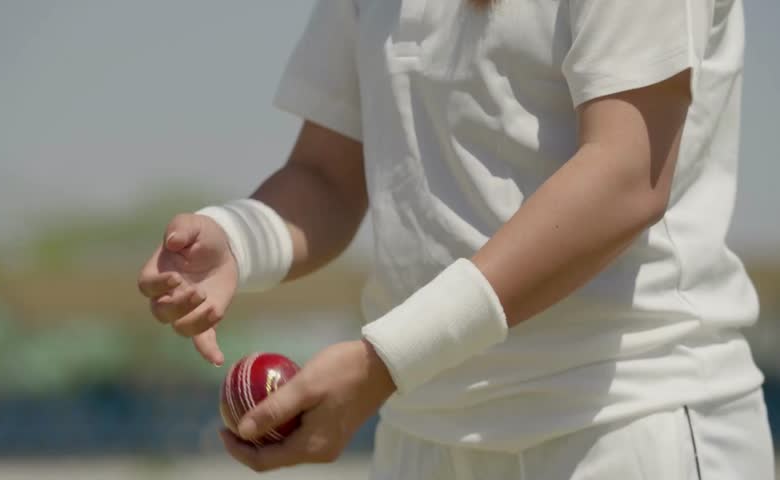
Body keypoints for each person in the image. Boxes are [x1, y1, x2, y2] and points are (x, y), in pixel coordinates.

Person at [137, 0, 775, 477]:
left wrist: (387, 361)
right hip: (423, 430)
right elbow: (328, 174)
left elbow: (626, 177)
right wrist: (239, 240)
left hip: (624, 420)